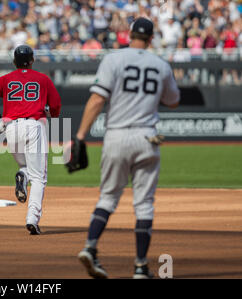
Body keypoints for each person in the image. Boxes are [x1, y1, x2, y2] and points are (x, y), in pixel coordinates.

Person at [75, 18, 180, 279]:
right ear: (151, 38)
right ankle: (141, 267)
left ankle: (90, 247)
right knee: (144, 204)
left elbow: (98, 98)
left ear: (129, 34)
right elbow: (173, 100)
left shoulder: (114, 59)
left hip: (117, 136)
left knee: (108, 198)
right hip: (147, 137)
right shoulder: (160, 64)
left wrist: (79, 136)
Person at [0, 45, 61, 235]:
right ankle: (32, 219)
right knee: (39, 178)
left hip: (11, 128)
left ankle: (23, 176)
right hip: (33, 126)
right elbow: (56, 104)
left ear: (14, 62)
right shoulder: (43, 79)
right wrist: (53, 114)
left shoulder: (5, 79)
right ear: (32, 60)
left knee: (26, 167)